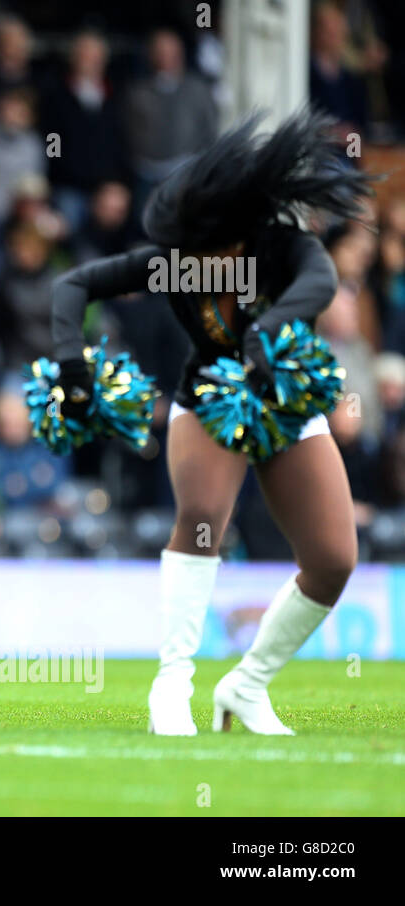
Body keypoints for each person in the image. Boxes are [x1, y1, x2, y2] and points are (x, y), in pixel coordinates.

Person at [50, 109, 376, 736]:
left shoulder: (284, 247)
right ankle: (172, 684)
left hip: (282, 400)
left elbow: (322, 281)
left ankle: (247, 685)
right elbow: (74, 286)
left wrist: (271, 329)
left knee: (334, 558)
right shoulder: (175, 259)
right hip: (206, 398)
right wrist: (71, 364)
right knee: (201, 521)